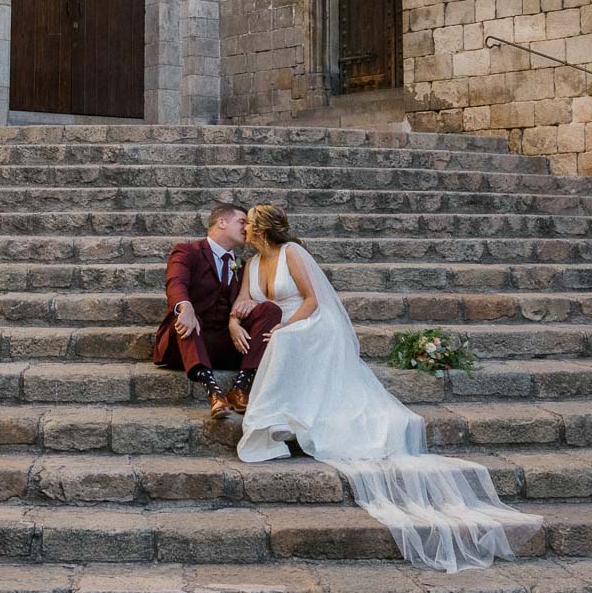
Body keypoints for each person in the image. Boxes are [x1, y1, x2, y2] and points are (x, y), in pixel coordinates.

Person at [234, 204, 544, 573]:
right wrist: (235, 321)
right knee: (277, 340)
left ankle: (281, 417)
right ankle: (277, 419)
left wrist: (287, 327)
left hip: (310, 323)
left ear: (262, 229)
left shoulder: (292, 253)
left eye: (249, 224)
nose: (244, 229)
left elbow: (313, 300)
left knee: (284, 341)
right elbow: (242, 302)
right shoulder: (250, 265)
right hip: (275, 324)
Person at [153, 203, 282, 419]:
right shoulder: (188, 251)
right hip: (188, 341)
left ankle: (240, 387)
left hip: (224, 342)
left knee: (269, 310)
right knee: (187, 321)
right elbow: (176, 283)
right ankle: (214, 393)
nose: (247, 228)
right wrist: (185, 306)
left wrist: (247, 309)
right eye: (242, 222)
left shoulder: (242, 264)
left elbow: (245, 301)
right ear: (221, 222)